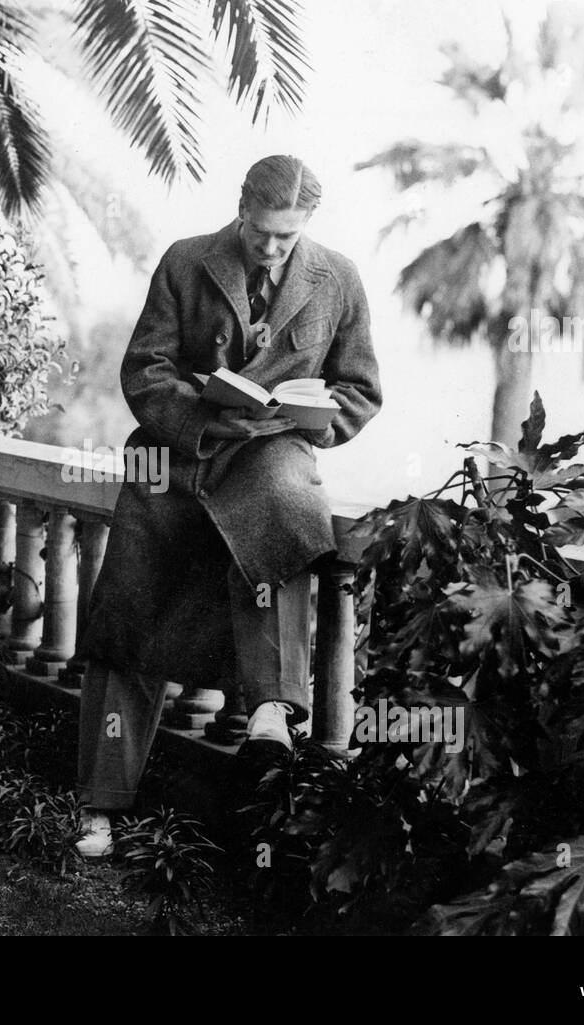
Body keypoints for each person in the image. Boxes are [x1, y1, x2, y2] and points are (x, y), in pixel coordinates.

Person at [70, 155, 383, 857]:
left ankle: (273, 708)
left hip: (272, 450)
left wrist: (313, 417)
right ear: (242, 208)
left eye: (287, 236)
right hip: (179, 457)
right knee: (130, 608)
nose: (273, 248)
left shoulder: (339, 279)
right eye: (264, 232)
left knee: (284, 509)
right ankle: (100, 802)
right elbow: (143, 369)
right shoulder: (186, 263)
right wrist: (203, 416)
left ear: (306, 225)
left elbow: (359, 388)